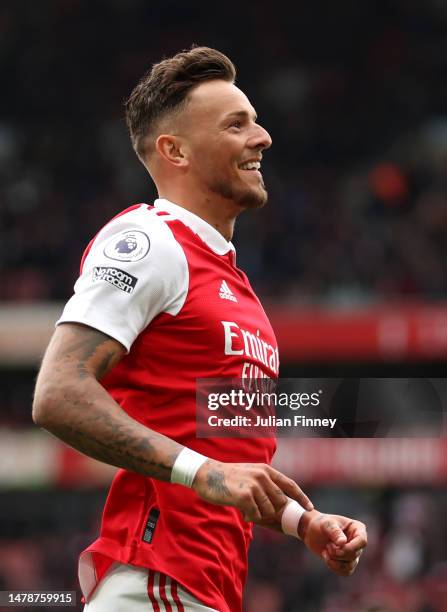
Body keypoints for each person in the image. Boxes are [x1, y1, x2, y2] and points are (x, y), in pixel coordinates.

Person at [33, 46, 367, 612]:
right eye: (236, 124)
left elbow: (216, 450)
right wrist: (206, 472)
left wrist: (300, 521)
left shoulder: (233, 285)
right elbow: (58, 393)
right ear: (174, 150)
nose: (262, 138)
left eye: (256, 122)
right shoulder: (149, 242)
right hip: (156, 583)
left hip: (199, 588)